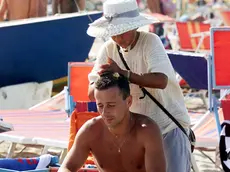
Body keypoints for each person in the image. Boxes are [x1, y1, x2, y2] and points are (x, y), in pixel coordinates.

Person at [87, 0, 191, 171]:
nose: (118, 38)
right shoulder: (108, 49)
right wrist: (102, 80)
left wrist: (123, 74)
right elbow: (91, 92)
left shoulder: (151, 41)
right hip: (136, 133)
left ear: (134, 27)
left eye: (122, 32)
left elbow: (161, 81)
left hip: (167, 126)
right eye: (113, 33)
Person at [59, 71, 166, 172]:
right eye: (100, 106)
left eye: (111, 105)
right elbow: (66, 167)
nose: (105, 112)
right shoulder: (90, 131)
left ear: (129, 101)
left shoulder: (147, 131)